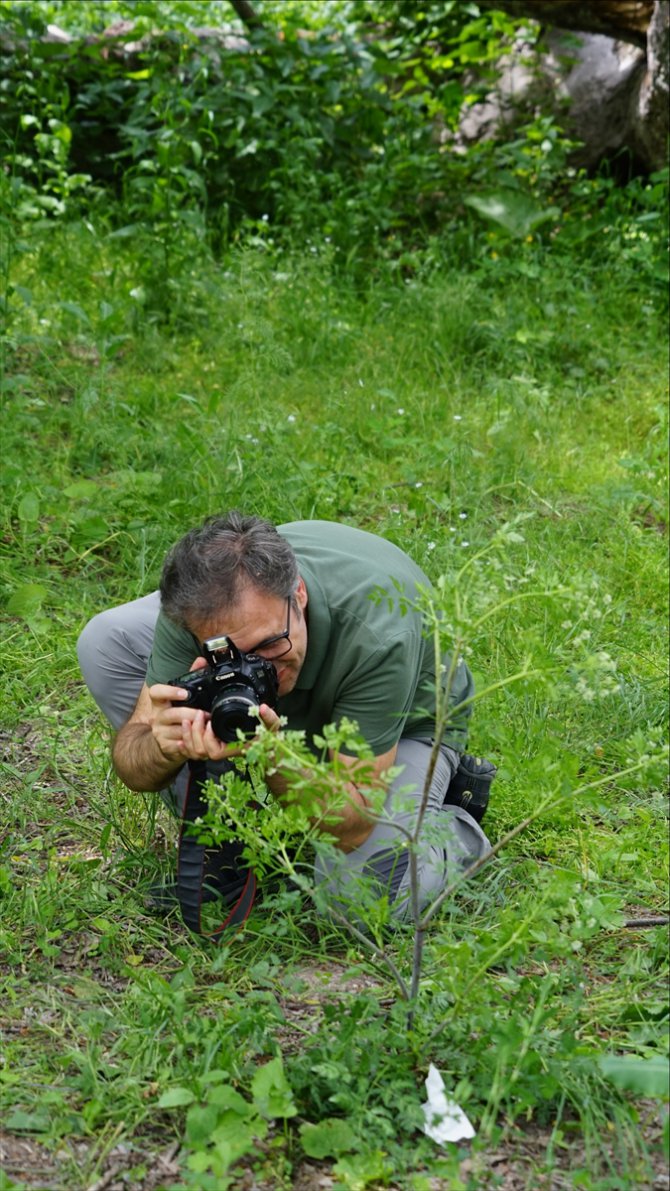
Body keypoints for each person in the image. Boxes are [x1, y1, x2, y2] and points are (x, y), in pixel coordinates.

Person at [78, 513, 491, 928]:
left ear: (299, 594)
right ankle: (227, 841)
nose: (259, 672)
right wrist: (163, 746)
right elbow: (134, 764)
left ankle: (451, 831)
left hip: (407, 722)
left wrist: (269, 751)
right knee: (105, 640)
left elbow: (352, 825)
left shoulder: (380, 634)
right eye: (232, 658)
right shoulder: (197, 617)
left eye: (271, 645)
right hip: (297, 697)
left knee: (363, 900)